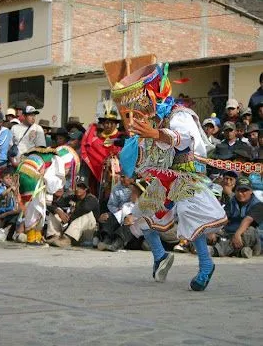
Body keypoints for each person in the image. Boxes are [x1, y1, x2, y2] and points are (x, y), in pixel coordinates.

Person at [111, 62, 227, 291]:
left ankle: (206, 265)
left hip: (187, 176)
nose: (138, 106)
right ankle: (160, 256)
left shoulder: (179, 115)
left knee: (191, 217)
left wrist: (156, 134)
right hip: (165, 178)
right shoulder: (154, 119)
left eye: (141, 99)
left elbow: (185, 140)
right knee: (142, 214)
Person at [209, 177, 262, 258]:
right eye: (239, 190)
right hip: (231, 234)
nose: (241, 193)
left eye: (244, 190)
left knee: (250, 231)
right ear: (235, 190)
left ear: (251, 191)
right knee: (208, 231)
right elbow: (223, 219)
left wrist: (237, 234)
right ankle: (241, 252)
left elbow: (248, 220)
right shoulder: (232, 201)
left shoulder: (258, 205)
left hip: (250, 238)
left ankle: (216, 251)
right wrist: (213, 230)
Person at [81, 105, 124, 199]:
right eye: (106, 123)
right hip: (98, 176)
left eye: (111, 123)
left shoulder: (122, 138)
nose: (108, 125)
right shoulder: (96, 140)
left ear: (116, 124)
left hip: (116, 177)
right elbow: (87, 149)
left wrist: (113, 162)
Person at [49, 177, 100, 247]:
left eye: (82, 187)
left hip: (88, 231)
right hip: (73, 229)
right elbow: (52, 204)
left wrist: (70, 217)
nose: (78, 189)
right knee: (55, 213)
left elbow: (85, 208)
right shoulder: (72, 197)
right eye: (77, 186)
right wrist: (58, 211)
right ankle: (54, 236)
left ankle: (67, 239)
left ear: (86, 189)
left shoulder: (91, 199)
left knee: (87, 214)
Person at [97, 174, 133, 251]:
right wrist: (118, 212)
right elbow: (111, 204)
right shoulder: (117, 187)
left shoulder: (140, 187)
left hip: (134, 214)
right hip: (119, 212)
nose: (121, 179)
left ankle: (117, 243)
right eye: (121, 176)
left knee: (129, 222)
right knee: (107, 217)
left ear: (131, 177)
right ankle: (107, 239)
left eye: (124, 177)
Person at [0, 114, 12, 182]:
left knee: (0, 185)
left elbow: (0, 145)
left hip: (0, 164)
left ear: (1, 122)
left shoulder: (6, 131)